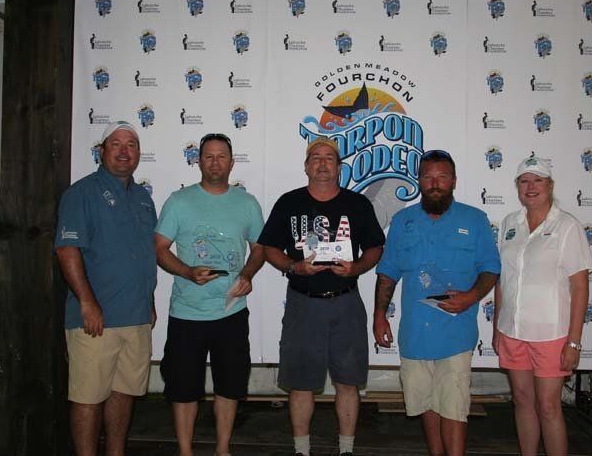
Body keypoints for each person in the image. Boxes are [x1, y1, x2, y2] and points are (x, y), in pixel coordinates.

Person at [258, 136, 385, 456]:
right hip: (303, 302)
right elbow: (270, 247)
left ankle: (346, 449)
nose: (323, 163)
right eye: (316, 157)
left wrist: (356, 267)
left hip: (346, 301)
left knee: (348, 381)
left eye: (330, 157)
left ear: (339, 167)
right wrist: (293, 267)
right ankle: (301, 450)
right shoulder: (289, 202)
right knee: (301, 383)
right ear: (306, 166)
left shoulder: (358, 204)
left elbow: (375, 248)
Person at [373, 150, 501, 456]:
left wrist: (471, 297)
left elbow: (491, 268)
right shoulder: (402, 221)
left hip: (455, 333)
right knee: (425, 405)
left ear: (454, 181)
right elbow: (388, 272)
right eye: (428, 177)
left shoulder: (475, 220)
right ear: (419, 181)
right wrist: (379, 315)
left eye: (442, 177)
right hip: (415, 334)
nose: (435, 184)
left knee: (454, 408)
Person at [155, 132, 265, 456]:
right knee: (183, 389)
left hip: (231, 310)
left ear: (231, 162)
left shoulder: (247, 202)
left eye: (221, 156)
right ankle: (186, 451)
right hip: (187, 313)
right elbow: (159, 249)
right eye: (208, 156)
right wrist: (187, 272)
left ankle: (222, 449)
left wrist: (247, 273)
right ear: (198, 161)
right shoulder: (179, 201)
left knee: (229, 387)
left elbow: (259, 249)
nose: (215, 162)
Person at [55, 121, 157, 456]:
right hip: (95, 319)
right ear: (102, 151)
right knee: (87, 398)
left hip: (136, 315)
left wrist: (150, 301)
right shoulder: (80, 193)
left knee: (123, 393)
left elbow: (143, 255)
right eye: (116, 144)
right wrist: (87, 302)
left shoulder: (144, 198)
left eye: (132, 144)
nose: (125, 151)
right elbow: (67, 249)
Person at [492, 157, 592, 456]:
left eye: (537, 180)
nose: (530, 187)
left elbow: (580, 286)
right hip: (512, 330)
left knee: (548, 407)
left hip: (551, 334)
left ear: (550, 185)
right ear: (517, 187)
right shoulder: (511, 223)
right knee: (522, 401)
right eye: (524, 181)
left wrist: (574, 341)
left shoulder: (567, 226)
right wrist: (498, 326)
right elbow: (502, 280)